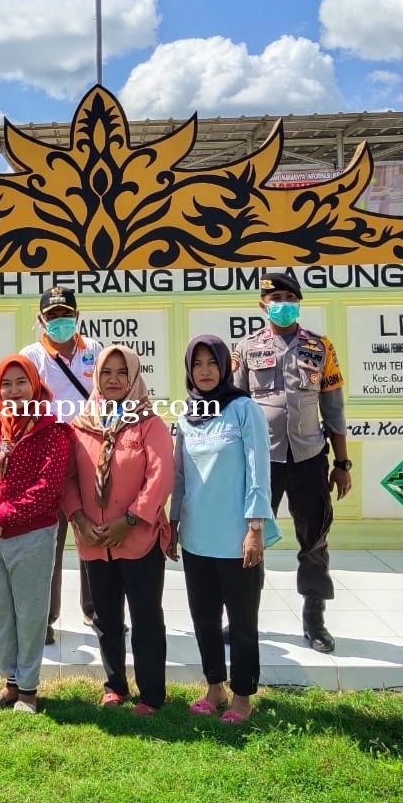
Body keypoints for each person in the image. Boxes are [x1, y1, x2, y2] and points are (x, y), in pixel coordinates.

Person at [230, 271, 351, 653]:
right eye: (274, 297)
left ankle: (314, 619)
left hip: (310, 457)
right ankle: (243, 621)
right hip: (260, 460)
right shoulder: (246, 348)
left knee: (314, 541)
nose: (282, 303)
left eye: (289, 297)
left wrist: (342, 464)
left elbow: (334, 408)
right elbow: (234, 406)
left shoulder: (321, 347)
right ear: (262, 305)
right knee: (251, 541)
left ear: (299, 302)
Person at [174, 335, 280, 724]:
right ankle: (214, 687)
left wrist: (255, 527)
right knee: (203, 617)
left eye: (212, 363)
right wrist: (172, 522)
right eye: (197, 364)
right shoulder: (185, 416)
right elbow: (180, 477)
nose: (204, 371)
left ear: (225, 366)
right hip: (196, 537)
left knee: (241, 620)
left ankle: (242, 696)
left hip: (237, 538)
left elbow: (259, 468)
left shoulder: (243, 409)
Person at [63, 345, 174, 716]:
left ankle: (151, 695)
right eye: (106, 372)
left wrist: (128, 520)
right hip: (94, 541)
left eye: (121, 373)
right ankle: (115, 686)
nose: (113, 380)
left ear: (133, 378)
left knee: (145, 619)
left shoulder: (149, 423)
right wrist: (78, 518)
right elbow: (69, 480)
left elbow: (161, 476)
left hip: (138, 539)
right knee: (106, 619)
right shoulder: (82, 424)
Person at [0, 355, 72, 714]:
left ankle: (28, 689)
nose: (14, 391)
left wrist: (5, 515)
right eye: (6, 383)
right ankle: (9, 682)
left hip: (32, 535)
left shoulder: (53, 431)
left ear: (35, 384)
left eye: (21, 382)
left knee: (30, 613)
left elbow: (48, 486)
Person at [19, 285, 103, 645]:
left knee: (93, 535)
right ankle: (45, 619)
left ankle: (96, 610)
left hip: (89, 456)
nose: (60, 321)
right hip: (47, 459)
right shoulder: (31, 356)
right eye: (52, 316)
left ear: (78, 316)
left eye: (66, 314)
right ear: (40, 320)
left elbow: (108, 398)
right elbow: (20, 404)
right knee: (46, 543)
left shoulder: (96, 352)